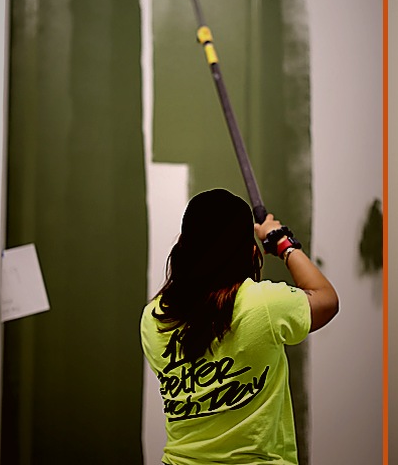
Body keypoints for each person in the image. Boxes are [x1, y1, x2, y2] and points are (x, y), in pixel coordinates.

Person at [140, 188, 339, 465]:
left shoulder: (154, 317)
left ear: (183, 245)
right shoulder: (264, 305)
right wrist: (280, 241)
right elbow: (327, 299)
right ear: (247, 251)